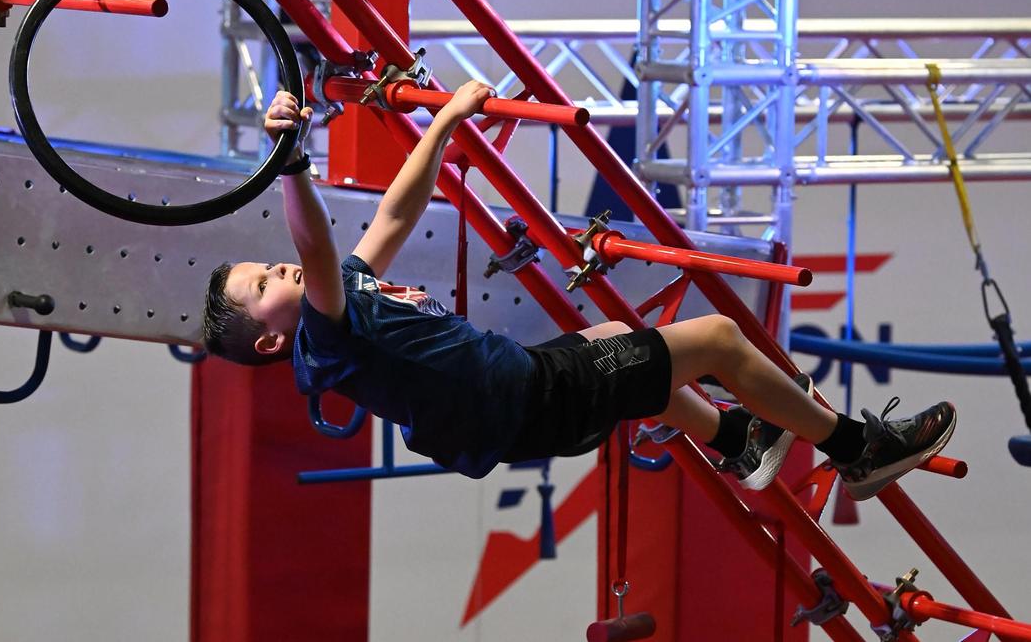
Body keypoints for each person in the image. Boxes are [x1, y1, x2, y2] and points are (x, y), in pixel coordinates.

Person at [202, 82, 956, 501]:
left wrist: (446, 125)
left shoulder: (348, 298)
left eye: (264, 266)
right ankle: (857, 449)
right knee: (719, 340)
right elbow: (316, 244)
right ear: (270, 337)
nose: (279, 271)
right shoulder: (323, 339)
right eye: (263, 284)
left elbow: (395, 213)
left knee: (617, 350)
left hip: (525, 391)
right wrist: (291, 160)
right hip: (531, 397)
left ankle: (738, 439)